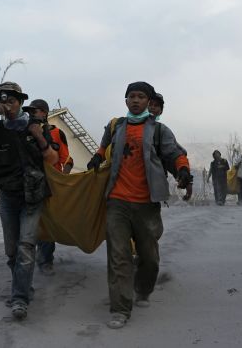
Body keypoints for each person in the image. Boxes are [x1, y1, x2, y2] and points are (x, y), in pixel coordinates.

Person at [87, 81, 192, 329]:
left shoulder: (159, 130)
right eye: (131, 96)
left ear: (148, 102)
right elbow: (103, 148)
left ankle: (143, 289)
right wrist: (96, 158)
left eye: (140, 97)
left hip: (147, 203)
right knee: (118, 255)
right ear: (125, 101)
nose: (135, 100)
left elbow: (174, 153)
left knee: (149, 256)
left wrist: (183, 170)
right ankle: (120, 309)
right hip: (117, 201)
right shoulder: (117, 127)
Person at [0, 82, 58, 320]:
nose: (8, 105)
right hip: (8, 196)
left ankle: (19, 299)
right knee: (11, 251)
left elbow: (52, 158)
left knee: (26, 247)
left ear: (20, 102)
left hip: (33, 197)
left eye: (12, 100)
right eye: (2, 101)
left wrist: (39, 137)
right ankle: (24, 286)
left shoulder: (35, 126)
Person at [22, 99, 69, 275]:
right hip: (29, 183)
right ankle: (27, 259)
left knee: (47, 223)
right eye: (32, 111)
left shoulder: (57, 132)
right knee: (30, 223)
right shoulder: (23, 131)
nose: (35, 114)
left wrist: (63, 180)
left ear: (46, 113)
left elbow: (66, 159)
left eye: (39, 111)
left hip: (50, 185)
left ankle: (46, 261)